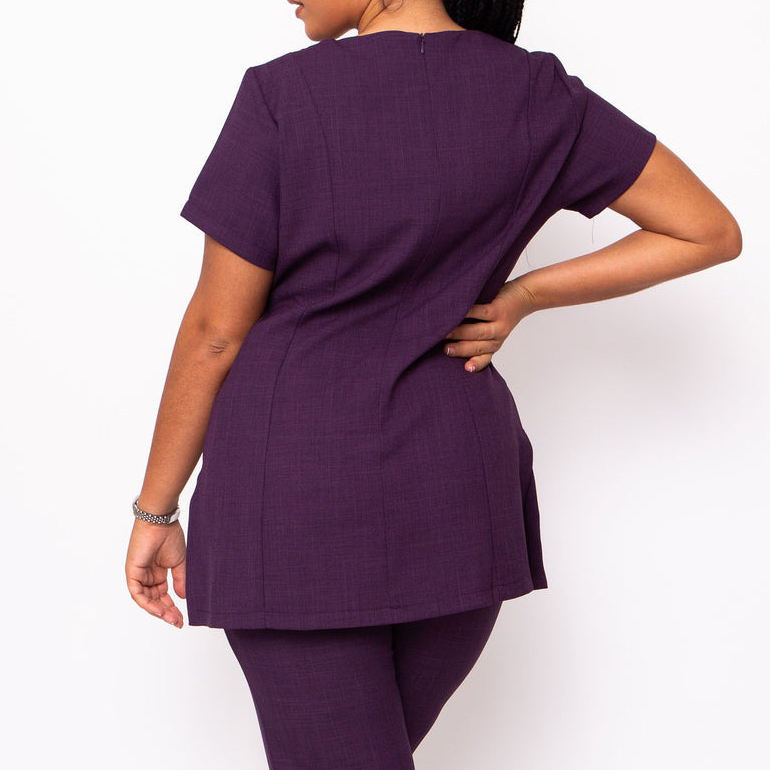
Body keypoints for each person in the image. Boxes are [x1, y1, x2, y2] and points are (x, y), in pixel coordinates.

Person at [125, 0, 742, 766]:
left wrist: (155, 507)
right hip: (458, 494)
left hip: (298, 501)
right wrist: (523, 295)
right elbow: (705, 229)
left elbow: (216, 333)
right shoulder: (537, 93)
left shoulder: (285, 95)